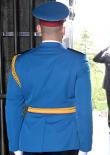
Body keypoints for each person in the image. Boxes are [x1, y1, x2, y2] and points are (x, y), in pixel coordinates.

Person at [5, 2, 92, 155]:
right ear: (63, 30)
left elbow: (12, 107)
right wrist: (85, 146)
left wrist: (15, 145)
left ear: (38, 29)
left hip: (31, 140)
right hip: (67, 141)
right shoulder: (79, 62)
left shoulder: (19, 62)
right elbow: (84, 109)